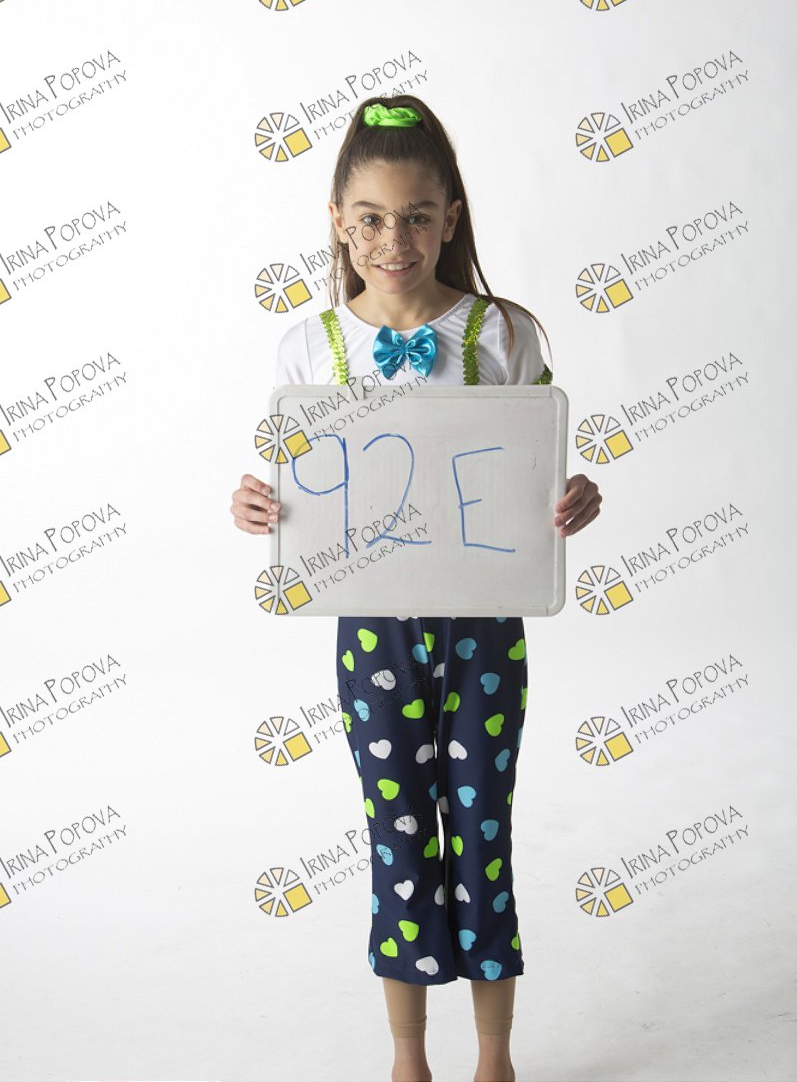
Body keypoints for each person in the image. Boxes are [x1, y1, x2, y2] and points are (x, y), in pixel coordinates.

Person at [230, 96, 602, 1082]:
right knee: (397, 838)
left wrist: (572, 494)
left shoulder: (503, 332)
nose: (393, 240)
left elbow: (537, 462)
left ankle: (494, 1057)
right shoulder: (309, 348)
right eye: (370, 218)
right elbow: (303, 485)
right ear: (336, 221)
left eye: (416, 216)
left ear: (450, 217)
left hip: (484, 631)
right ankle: (408, 1058)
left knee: (481, 828)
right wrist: (260, 503)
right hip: (373, 636)